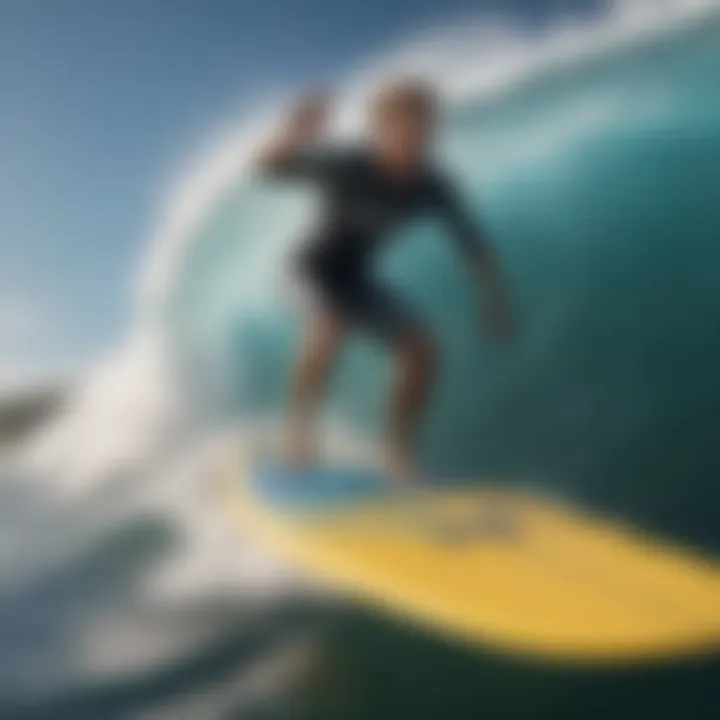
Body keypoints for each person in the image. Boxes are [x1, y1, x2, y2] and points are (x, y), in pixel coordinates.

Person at [255, 78, 513, 483]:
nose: (415, 141)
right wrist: (294, 134)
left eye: (425, 131)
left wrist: (494, 297)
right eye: (404, 129)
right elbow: (267, 169)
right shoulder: (348, 165)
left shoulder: (433, 184)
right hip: (307, 269)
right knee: (330, 323)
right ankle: (298, 434)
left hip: (356, 277)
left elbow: (471, 241)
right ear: (379, 129)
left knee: (423, 348)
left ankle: (396, 451)